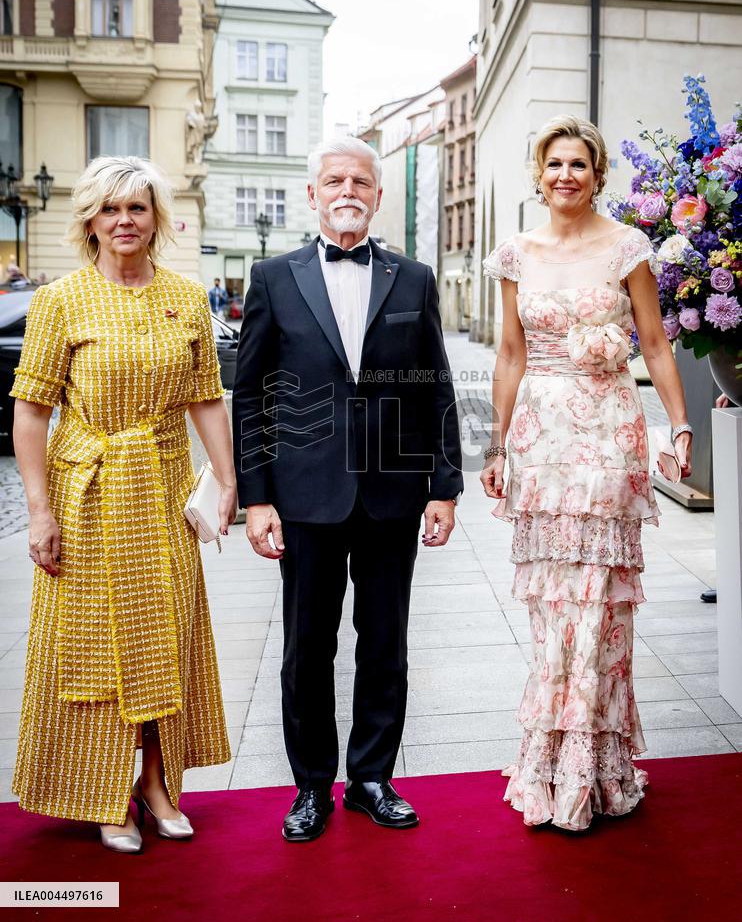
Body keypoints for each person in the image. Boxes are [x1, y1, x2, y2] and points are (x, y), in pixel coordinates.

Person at [233, 136, 463, 842]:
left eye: (360, 180)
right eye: (333, 178)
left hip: (393, 493)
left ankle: (370, 777)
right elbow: (252, 396)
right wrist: (257, 496)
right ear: (312, 193)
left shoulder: (414, 279)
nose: (347, 190)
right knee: (307, 647)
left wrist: (444, 486)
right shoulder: (273, 277)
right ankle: (310, 787)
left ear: (378, 194)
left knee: (385, 640)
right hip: (304, 495)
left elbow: (437, 387)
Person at [11, 156, 236, 853]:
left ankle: (157, 784)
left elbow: (205, 396)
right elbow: (30, 412)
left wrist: (229, 484)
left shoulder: (187, 296)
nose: (124, 221)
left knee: (164, 638)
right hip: (89, 494)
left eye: (137, 208)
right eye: (110, 209)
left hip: (164, 490)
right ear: (90, 219)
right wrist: (39, 511)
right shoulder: (60, 300)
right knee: (96, 647)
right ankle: (104, 793)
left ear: (156, 218)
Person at [480, 115, 693, 831]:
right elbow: (510, 354)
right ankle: (546, 759)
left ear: (598, 175)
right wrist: (495, 444)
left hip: (608, 434)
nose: (566, 175)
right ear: (538, 175)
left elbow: (657, 344)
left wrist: (680, 423)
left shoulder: (628, 247)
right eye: (554, 164)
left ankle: (594, 770)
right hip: (540, 438)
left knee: (597, 603)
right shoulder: (515, 253)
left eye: (579, 164)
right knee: (552, 607)